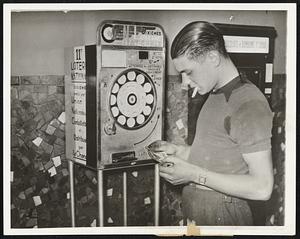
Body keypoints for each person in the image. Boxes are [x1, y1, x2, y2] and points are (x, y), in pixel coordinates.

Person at [148, 21, 274, 226]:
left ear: (213, 57)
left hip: (225, 215)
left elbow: (262, 187)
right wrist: (178, 151)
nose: (184, 82)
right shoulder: (215, 95)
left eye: (188, 72)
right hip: (201, 213)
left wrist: (193, 174)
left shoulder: (249, 104)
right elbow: (218, 157)